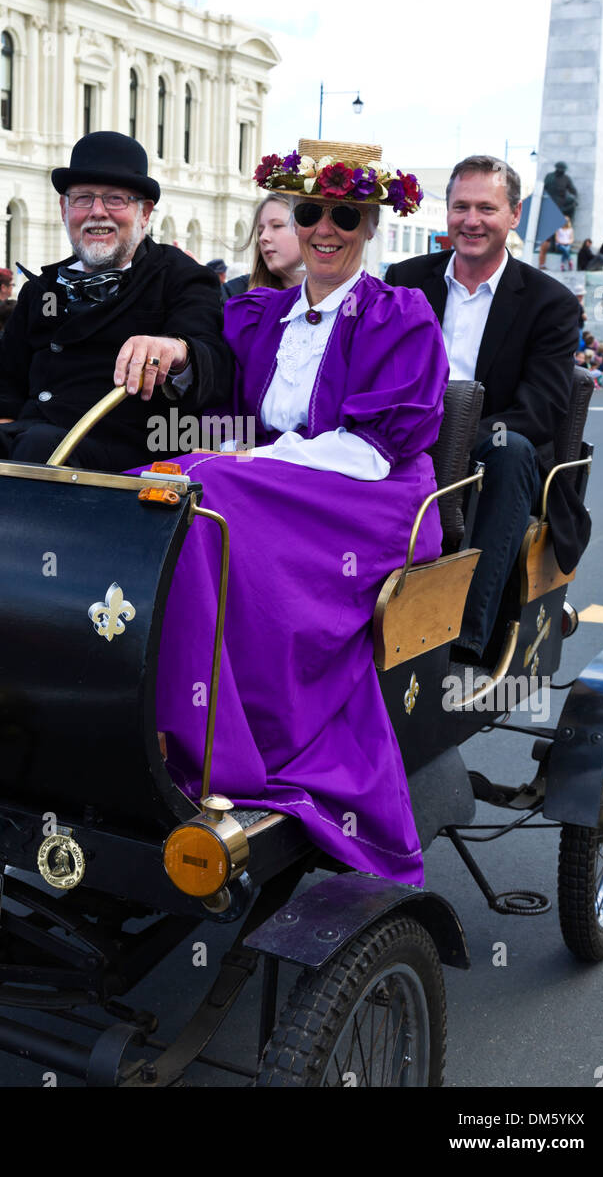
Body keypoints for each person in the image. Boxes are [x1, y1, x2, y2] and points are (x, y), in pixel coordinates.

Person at [150, 138, 446, 884]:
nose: (324, 229)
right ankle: (152, 703)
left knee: (206, 499)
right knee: (152, 487)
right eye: (310, 211)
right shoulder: (261, 315)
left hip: (369, 495)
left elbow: (377, 446)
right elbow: (231, 416)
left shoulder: (398, 315)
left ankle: (228, 742)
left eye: (344, 215)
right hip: (271, 482)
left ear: (370, 222)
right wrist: (178, 377)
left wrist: (244, 463)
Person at [0, 132, 232, 469]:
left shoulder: (180, 275)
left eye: (115, 199)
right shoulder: (42, 288)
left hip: (123, 453)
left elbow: (211, 358)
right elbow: (0, 375)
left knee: (41, 445)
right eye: (83, 198)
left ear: (145, 212)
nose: (97, 212)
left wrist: (176, 350)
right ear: (64, 209)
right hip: (31, 435)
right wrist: (2, 419)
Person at [386, 154, 588, 666]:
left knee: (511, 448)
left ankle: (466, 641)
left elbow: (539, 413)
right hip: (400, 436)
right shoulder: (405, 279)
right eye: (460, 207)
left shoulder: (551, 302)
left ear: (514, 216)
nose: (471, 220)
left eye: (486, 208)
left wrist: (450, 436)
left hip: (494, 453)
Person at [223, 193, 305, 298]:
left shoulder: (330, 297)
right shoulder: (234, 293)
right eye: (260, 231)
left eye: (277, 226)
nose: (263, 237)